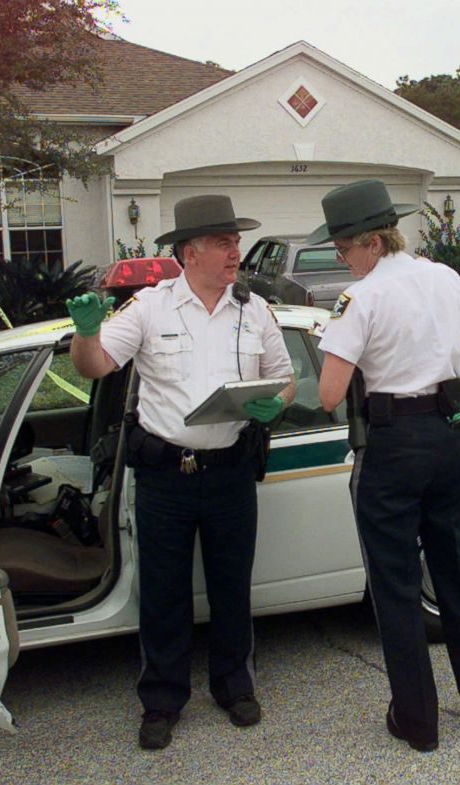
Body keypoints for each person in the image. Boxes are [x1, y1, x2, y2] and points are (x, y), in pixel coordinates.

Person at [66, 195, 295, 751]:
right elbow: (95, 365)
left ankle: (234, 685)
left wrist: (277, 403)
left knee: (231, 587)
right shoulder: (149, 308)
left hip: (231, 473)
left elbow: (284, 378)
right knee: (164, 593)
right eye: (223, 243)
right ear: (190, 253)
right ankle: (162, 700)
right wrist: (86, 332)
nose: (235, 252)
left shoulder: (254, 308)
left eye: (236, 241)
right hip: (167, 476)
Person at [313, 179, 460, 752]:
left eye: (344, 249)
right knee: (458, 572)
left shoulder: (361, 299)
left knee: (397, 584)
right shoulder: (444, 276)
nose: (342, 260)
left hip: (395, 443)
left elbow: (328, 395)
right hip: (451, 433)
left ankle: (418, 722)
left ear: (372, 242)